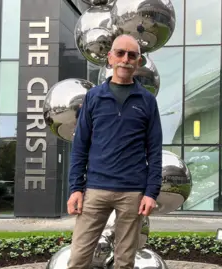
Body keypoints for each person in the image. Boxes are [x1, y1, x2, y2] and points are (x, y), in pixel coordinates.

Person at [66, 34, 163, 269]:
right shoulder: (93, 98)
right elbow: (81, 147)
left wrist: (151, 193)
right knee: (78, 259)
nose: (125, 59)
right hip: (95, 191)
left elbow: (155, 150)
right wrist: (75, 189)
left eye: (132, 55)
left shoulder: (147, 101)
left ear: (138, 62)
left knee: (124, 262)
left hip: (132, 193)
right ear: (110, 58)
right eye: (120, 53)